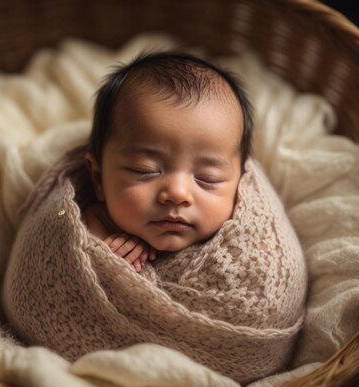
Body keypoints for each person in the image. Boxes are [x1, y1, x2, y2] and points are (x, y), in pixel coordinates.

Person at [82, 51, 253, 272]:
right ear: (98, 178)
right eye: (144, 170)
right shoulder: (91, 218)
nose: (178, 193)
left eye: (208, 178)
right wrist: (105, 248)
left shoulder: (246, 246)